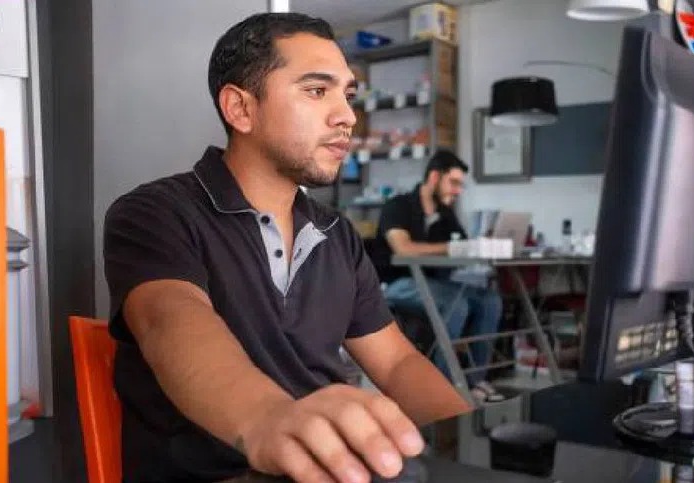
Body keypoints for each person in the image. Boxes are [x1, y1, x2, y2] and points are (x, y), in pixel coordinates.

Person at [103, 13, 470, 483]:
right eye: (317, 91)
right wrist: (268, 418)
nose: (347, 116)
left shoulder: (337, 235)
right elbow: (170, 321)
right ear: (241, 109)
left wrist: (467, 456)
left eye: (348, 95)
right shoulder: (156, 213)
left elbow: (398, 362)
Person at [372, 150, 506, 403]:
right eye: (453, 183)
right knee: (457, 304)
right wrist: (451, 247)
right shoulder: (397, 206)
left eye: (460, 185)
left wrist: (481, 245)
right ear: (434, 177)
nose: (458, 191)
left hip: (433, 284)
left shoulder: (446, 214)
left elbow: (462, 246)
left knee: (490, 300)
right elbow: (404, 249)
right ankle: (443, 385)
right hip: (393, 284)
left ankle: (476, 380)